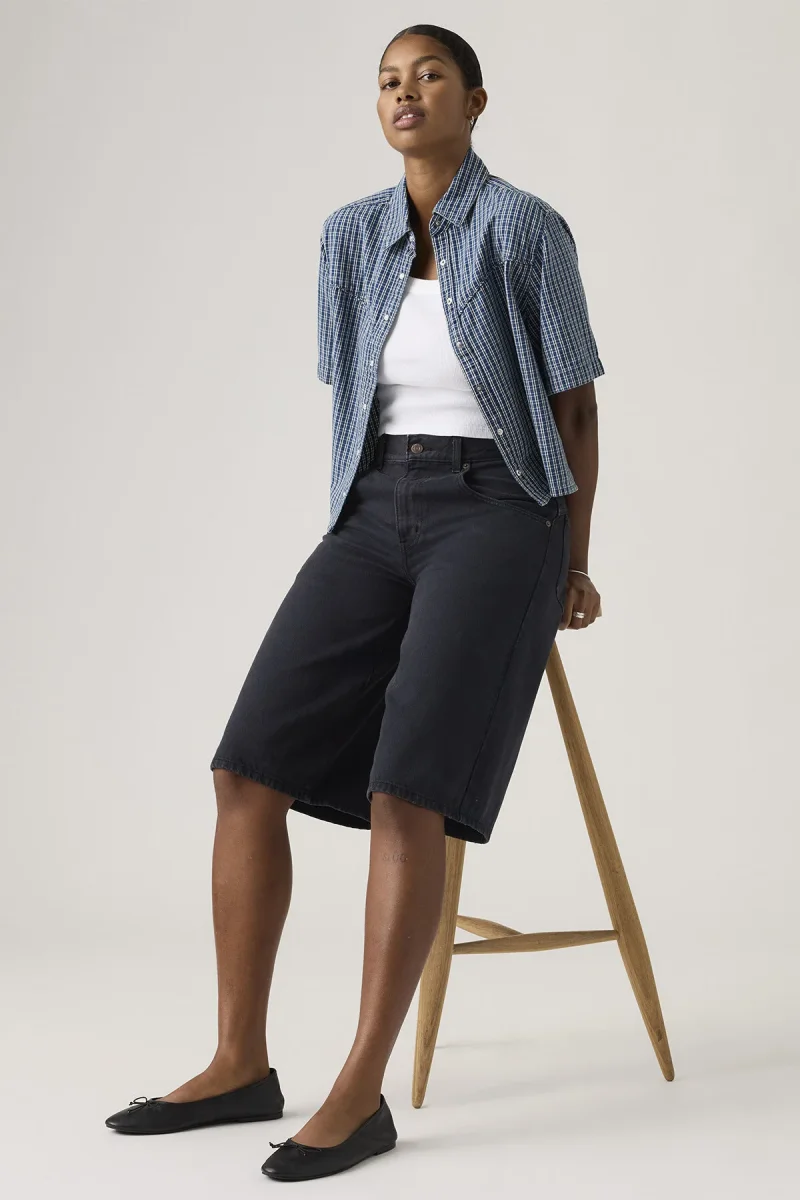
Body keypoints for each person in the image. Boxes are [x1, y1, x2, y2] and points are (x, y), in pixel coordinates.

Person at [104, 23, 605, 1183]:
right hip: (374, 507)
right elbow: (354, 397)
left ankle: (358, 1091)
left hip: (502, 509)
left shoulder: (525, 227)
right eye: (387, 80)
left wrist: (574, 560)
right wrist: (363, 513)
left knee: (403, 787)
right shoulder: (348, 236)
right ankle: (238, 1061)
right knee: (246, 770)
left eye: (428, 76)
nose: (404, 93)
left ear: (474, 101)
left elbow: (574, 409)